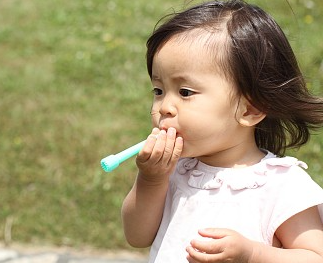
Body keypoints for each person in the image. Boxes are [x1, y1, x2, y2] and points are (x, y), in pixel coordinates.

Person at [121, 1, 323, 262]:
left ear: (249, 110)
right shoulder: (175, 171)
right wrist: (151, 180)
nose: (165, 107)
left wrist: (252, 254)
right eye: (159, 91)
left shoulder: (281, 184)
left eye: (185, 92)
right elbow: (137, 236)